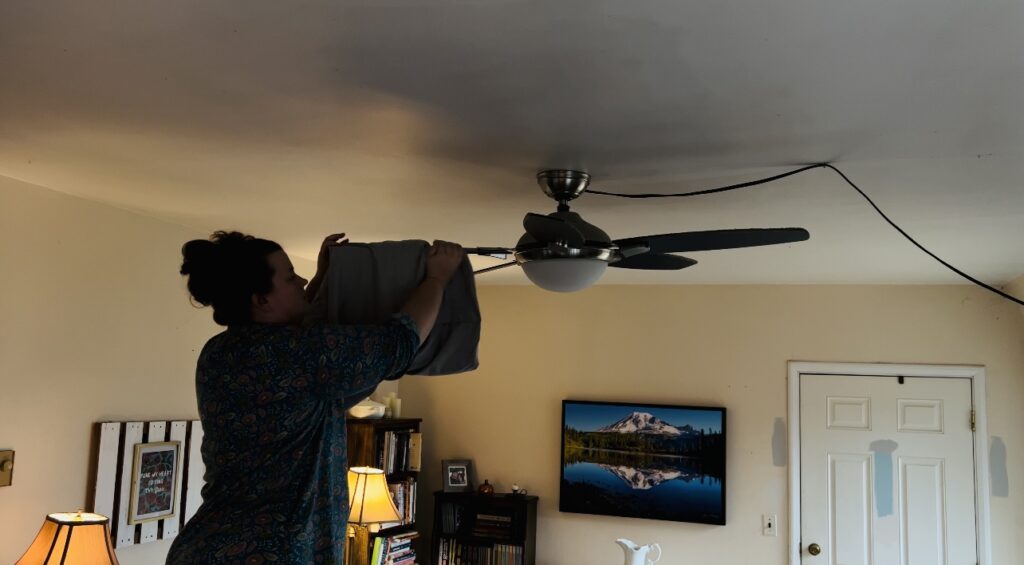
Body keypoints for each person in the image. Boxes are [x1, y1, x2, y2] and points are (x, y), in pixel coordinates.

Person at [167, 231, 463, 564]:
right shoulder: (303, 353)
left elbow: (297, 343)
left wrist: (323, 277)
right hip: (274, 553)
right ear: (261, 300)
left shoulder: (217, 354)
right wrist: (437, 278)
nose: (303, 280)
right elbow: (399, 341)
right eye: (292, 277)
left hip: (203, 546)